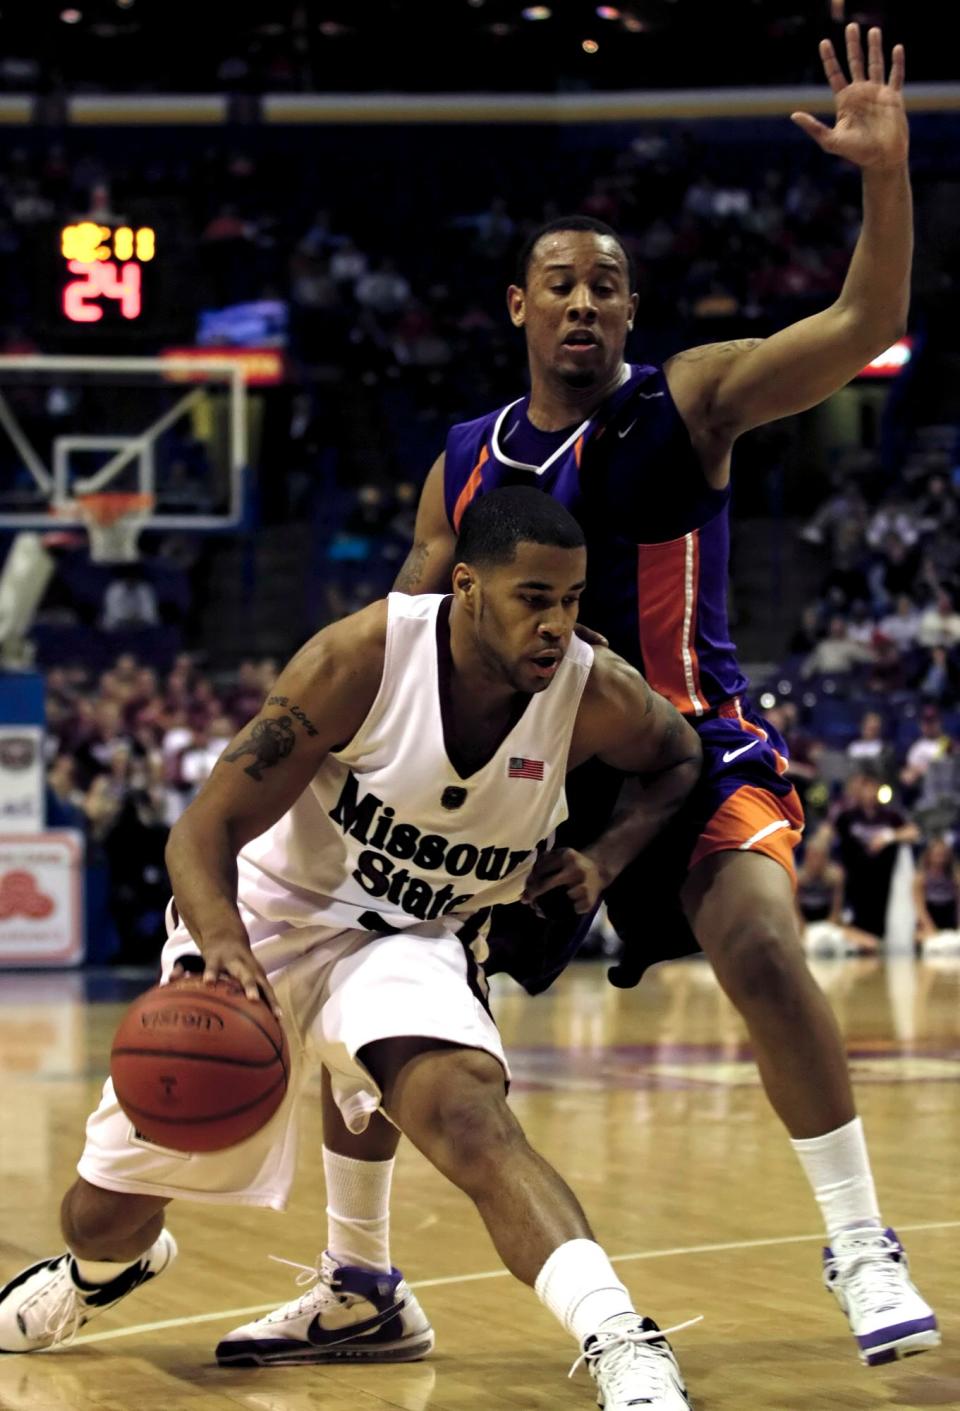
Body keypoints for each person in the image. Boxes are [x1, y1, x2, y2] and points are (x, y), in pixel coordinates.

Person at [277, 24, 938, 1372]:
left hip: (686, 746)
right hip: (511, 789)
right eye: (560, 284)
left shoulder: (688, 400)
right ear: (519, 308)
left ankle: (861, 1237)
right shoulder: (461, 466)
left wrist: (883, 179)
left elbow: (867, 323)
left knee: (760, 944)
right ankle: (358, 1277)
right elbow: (398, 637)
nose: (585, 303)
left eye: (609, 287)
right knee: (377, 989)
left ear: (630, 315)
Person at [0, 489, 705, 1411]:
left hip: (410, 936)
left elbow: (680, 756)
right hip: (264, 923)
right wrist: (220, 948)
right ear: (467, 587)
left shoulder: (590, 691)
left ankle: (620, 1336)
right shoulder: (360, 660)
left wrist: (603, 859)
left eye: (571, 600)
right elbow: (200, 831)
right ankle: (98, 1277)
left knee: (464, 1112)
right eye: (534, 597)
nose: (558, 625)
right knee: (102, 1217)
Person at [834, 772, 919, 940]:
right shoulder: (847, 816)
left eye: (873, 788)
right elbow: (830, 833)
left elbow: (913, 832)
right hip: (856, 880)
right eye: (865, 789)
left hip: (882, 879)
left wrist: (888, 836)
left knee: (882, 925)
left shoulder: (889, 816)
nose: (869, 793)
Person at [797, 828, 878, 956]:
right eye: (813, 856)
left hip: (829, 924)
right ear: (807, 856)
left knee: (871, 944)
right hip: (804, 927)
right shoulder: (797, 878)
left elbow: (836, 912)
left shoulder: (835, 877)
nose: (816, 861)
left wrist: (827, 931)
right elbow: (796, 913)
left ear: (826, 858)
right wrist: (806, 933)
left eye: (820, 857)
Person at [912, 836, 960, 955]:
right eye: (937, 854)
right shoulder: (920, 878)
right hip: (930, 917)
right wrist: (929, 928)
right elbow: (920, 908)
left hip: (949, 916)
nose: (940, 858)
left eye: (943, 854)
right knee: (920, 939)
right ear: (929, 855)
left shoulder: (955, 877)